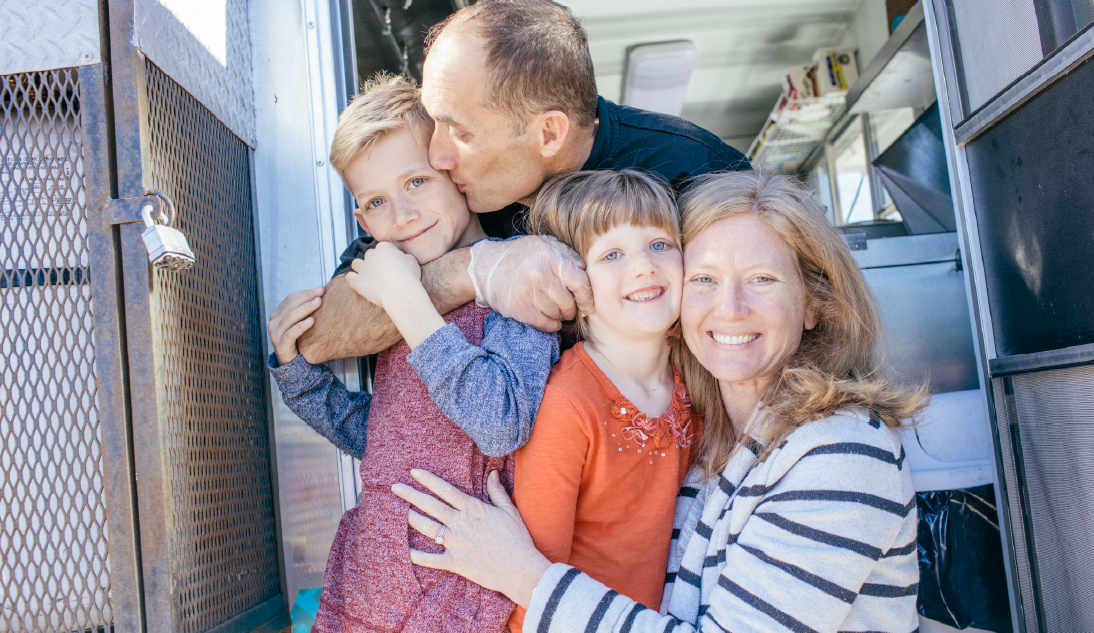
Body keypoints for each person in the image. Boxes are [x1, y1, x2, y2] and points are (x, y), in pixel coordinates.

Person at [391, 172, 925, 633]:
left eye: (762, 280)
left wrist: (521, 571)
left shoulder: (842, 452)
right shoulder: (706, 428)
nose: (730, 308)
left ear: (815, 305)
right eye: (705, 280)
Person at [285, 0, 751, 366]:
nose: (437, 154)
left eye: (459, 131)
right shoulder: (455, 190)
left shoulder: (696, 173)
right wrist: (478, 268)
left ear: (548, 133)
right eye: (436, 123)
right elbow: (320, 334)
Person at [265, 74, 560, 633]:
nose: (401, 215)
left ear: (457, 175)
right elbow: (379, 439)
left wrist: (408, 304)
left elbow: (500, 425)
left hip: (455, 591)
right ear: (362, 222)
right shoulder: (392, 302)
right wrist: (299, 376)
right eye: (376, 201)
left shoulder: (515, 282)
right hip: (369, 582)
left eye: (417, 181)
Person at [506, 170, 700, 633]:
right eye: (612, 253)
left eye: (659, 244)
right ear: (574, 279)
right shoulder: (569, 403)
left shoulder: (694, 377)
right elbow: (530, 581)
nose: (644, 267)